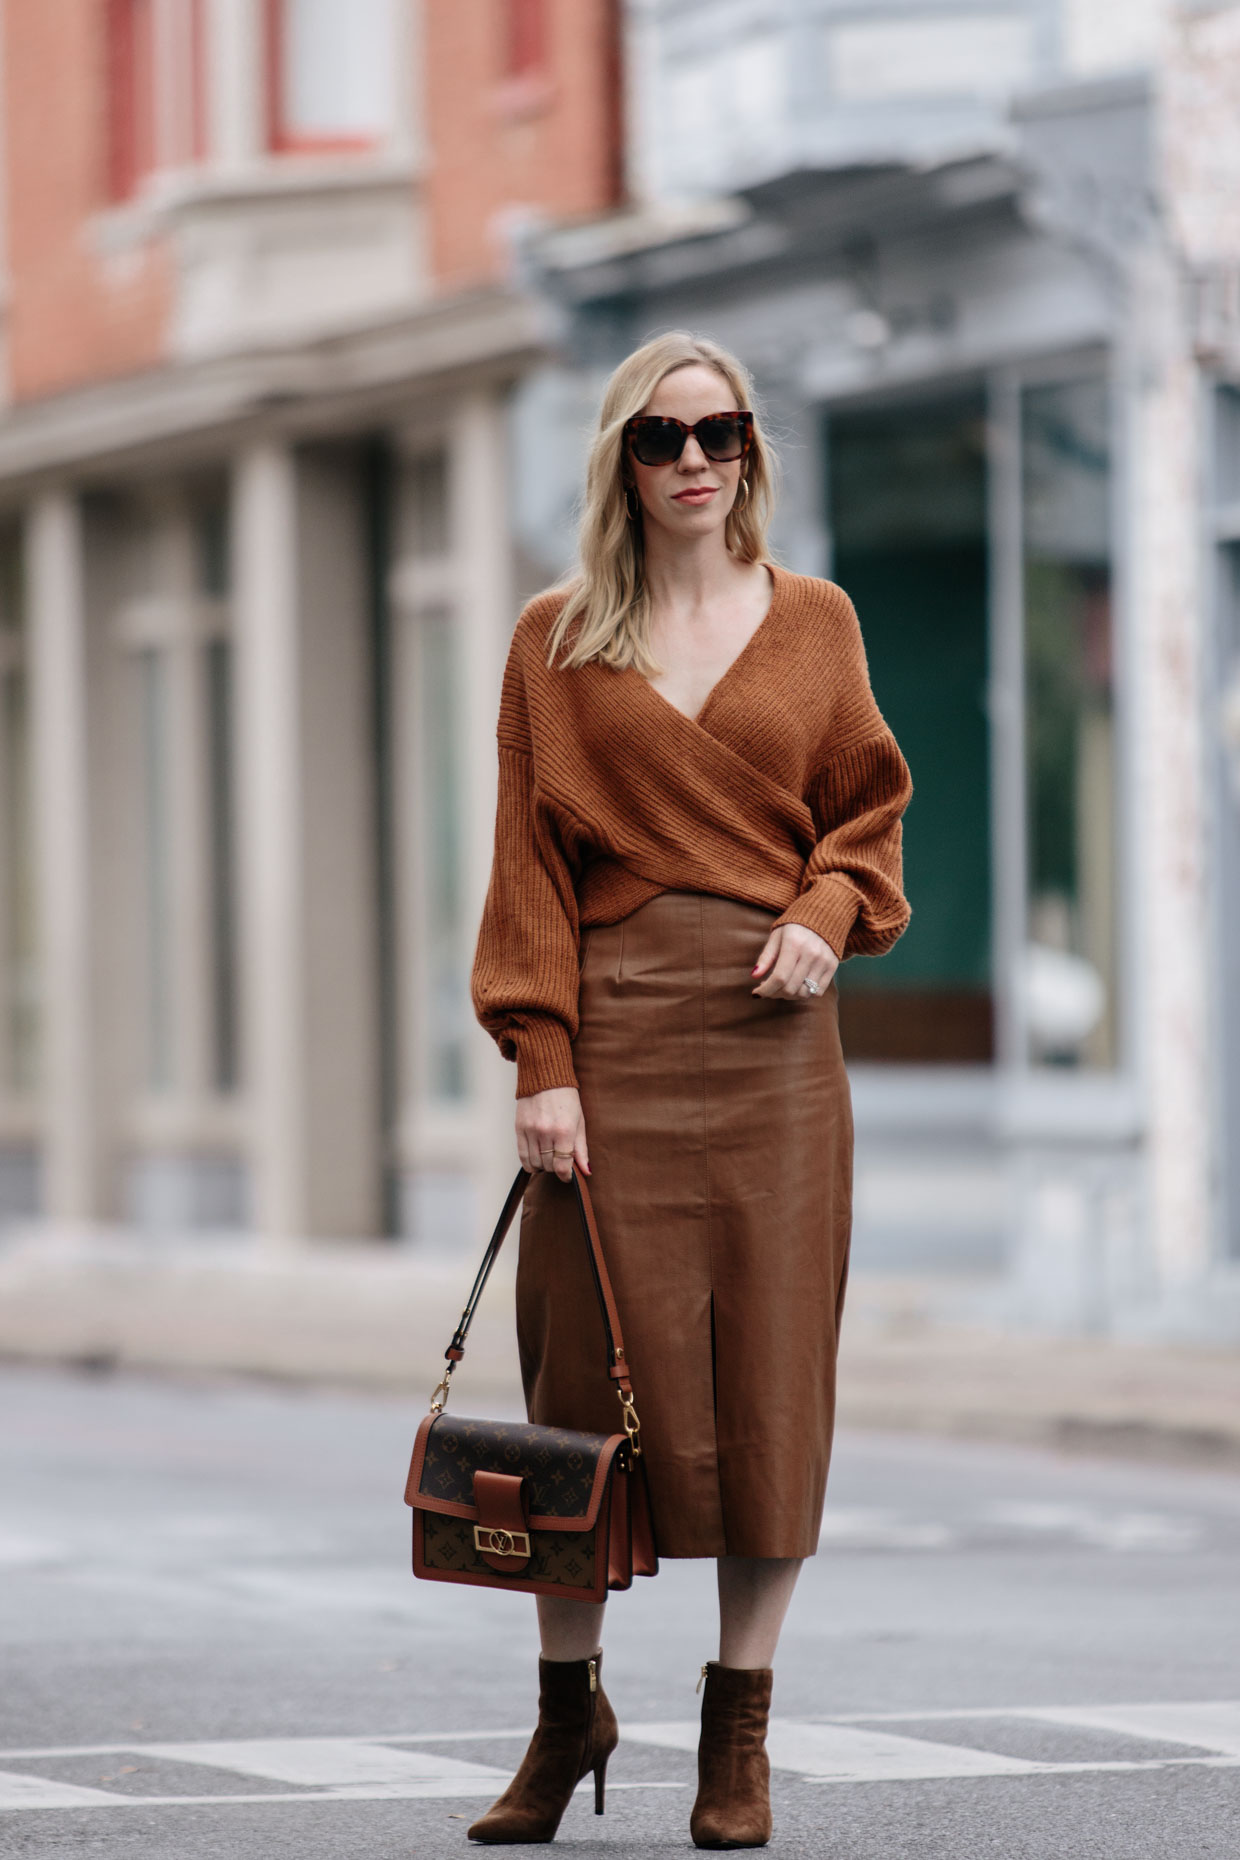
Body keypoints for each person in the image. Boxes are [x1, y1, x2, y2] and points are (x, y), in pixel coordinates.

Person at [467, 331, 913, 1848]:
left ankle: (739, 1731)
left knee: (767, 1381)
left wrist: (824, 916)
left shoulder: (820, 623)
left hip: (777, 1061)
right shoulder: (553, 639)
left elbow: (870, 813)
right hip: (610, 1046)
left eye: (718, 433)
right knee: (576, 1386)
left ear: (751, 451)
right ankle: (566, 1712)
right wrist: (542, 1058)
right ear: (620, 463)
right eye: (660, 441)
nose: (694, 461)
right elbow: (526, 862)